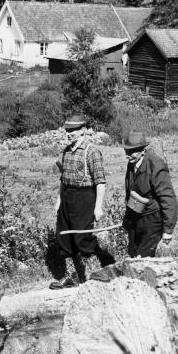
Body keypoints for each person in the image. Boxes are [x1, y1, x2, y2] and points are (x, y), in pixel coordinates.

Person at [50, 113, 114, 288]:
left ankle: (100, 271)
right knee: (64, 237)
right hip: (67, 197)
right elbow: (63, 180)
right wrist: (58, 201)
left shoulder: (91, 151)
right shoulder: (67, 151)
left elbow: (100, 181)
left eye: (73, 130)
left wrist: (98, 207)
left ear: (83, 130)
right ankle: (72, 277)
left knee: (82, 238)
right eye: (68, 131)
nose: (70, 134)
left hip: (84, 198)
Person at [122, 131, 178, 258]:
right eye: (126, 151)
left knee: (142, 258)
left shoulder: (155, 165)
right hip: (137, 217)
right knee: (133, 254)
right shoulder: (132, 162)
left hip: (153, 220)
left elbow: (168, 197)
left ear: (142, 150)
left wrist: (168, 230)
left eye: (132, 151)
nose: (128, 155)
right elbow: (130, 193)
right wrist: (127, 221)